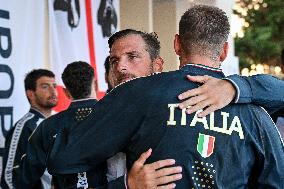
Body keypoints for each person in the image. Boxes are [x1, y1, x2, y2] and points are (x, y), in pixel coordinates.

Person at [47, 5, 284, 188]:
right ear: (224, 51)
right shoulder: (256, 114)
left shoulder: (135, 93)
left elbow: (63, 160)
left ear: (177, 44)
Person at [16, 61, 182, 189]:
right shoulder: (118, 116)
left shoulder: (48, 127)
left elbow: (23, 179)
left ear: (65, 91)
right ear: (96, 84)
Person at [0, 69, 58, 189]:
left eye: (54, 86)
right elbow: (8, 177)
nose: (53, 91)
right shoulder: (25, 127)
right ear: (31, 94)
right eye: (45, 86)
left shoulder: (56, 123)